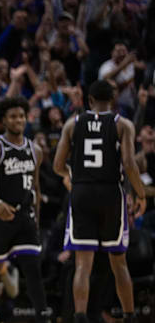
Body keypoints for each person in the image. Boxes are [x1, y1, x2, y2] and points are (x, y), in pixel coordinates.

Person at [53, 80, 148, 323]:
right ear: (113, 100)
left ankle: (80, 316)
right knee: (119, 262)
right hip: (110, 194)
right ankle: (129, 316)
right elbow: (128, 163)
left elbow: (57, 166)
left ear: (90, 100)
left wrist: (75, 176)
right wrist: (141, 193)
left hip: (82, 192)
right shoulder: (123, 124)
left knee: (83, 264)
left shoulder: (71, 124)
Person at [0, 97, 49, 323]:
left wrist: (35, 216)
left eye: (21, 116)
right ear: (3, 120)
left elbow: (35, 187)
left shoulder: (35, 150)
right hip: (0, 216)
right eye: (13, 116)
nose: (18, 120)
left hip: (25, 215)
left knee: (33, 267)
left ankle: (42, 315)